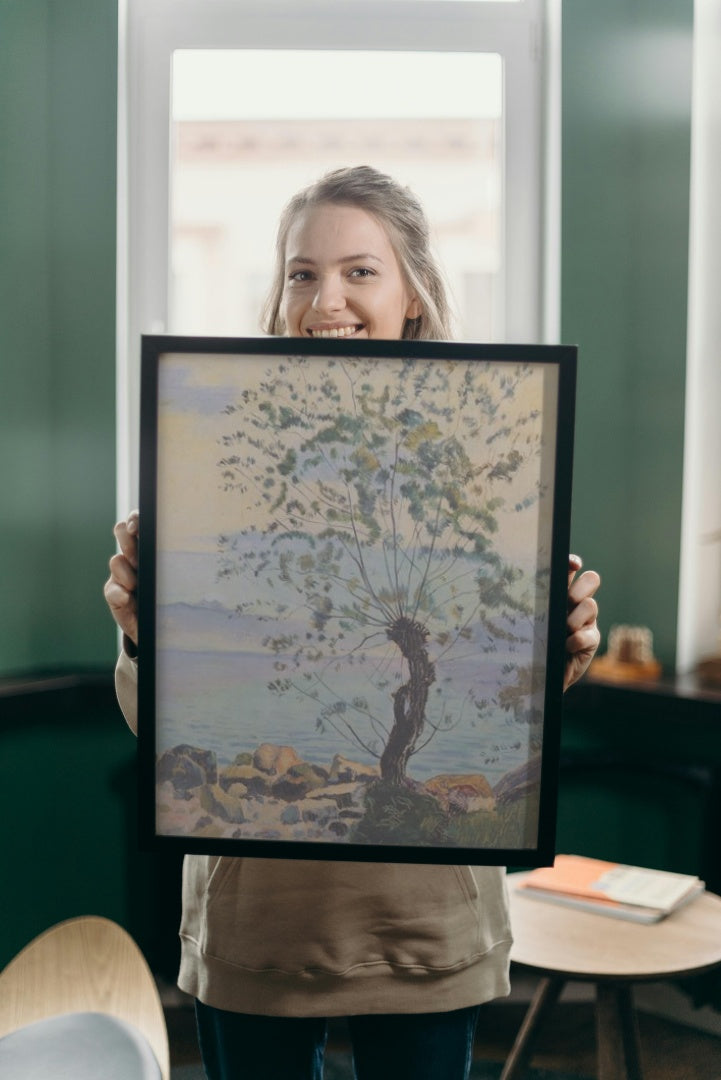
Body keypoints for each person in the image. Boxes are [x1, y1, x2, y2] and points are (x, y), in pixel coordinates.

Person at [105, 166, 601, 1080]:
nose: (324, 298)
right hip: (257, 926)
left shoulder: (487, 459)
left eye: (359, 271)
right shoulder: (209, 458)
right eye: (301, 272)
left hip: (424, 923)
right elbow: (159, 729)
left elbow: (500, 703)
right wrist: (141, 637)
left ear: (412, 292)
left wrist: (557, 649)